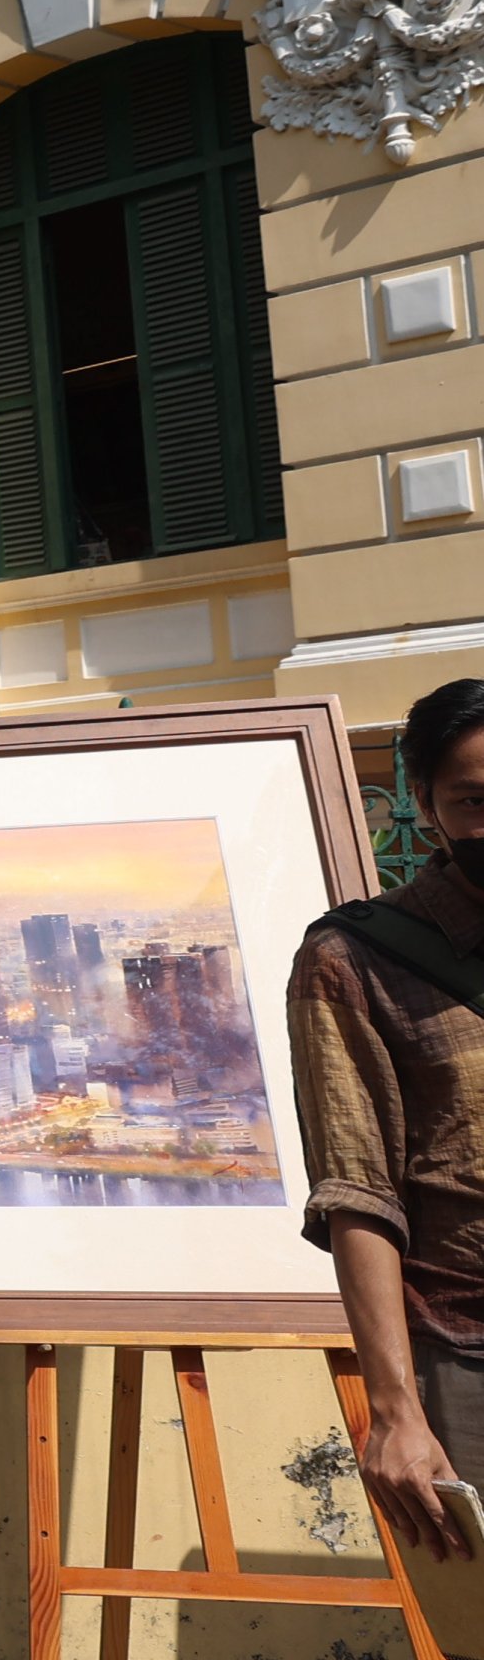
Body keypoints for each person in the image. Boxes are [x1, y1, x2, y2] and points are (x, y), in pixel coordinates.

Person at [291, 676, 484, 1589]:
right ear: (423, 805)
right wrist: (395, 1408)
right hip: (467, 1349)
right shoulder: (359, 959)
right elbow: (356, 1191)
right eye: (472, 800)